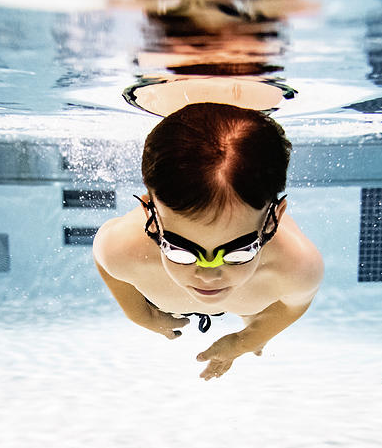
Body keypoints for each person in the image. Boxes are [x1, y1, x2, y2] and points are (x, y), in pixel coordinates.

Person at [93, 103, 323, 380]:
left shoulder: (297, 267)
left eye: (239, 253)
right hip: (224, 289)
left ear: (273, 221)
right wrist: (141, 315)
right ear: (150, 218)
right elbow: (106, 264)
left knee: (256, 313)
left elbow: (294, 305)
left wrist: (246, 340)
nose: (209, 276)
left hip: (255, 292)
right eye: (180, 251)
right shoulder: (124, 249)